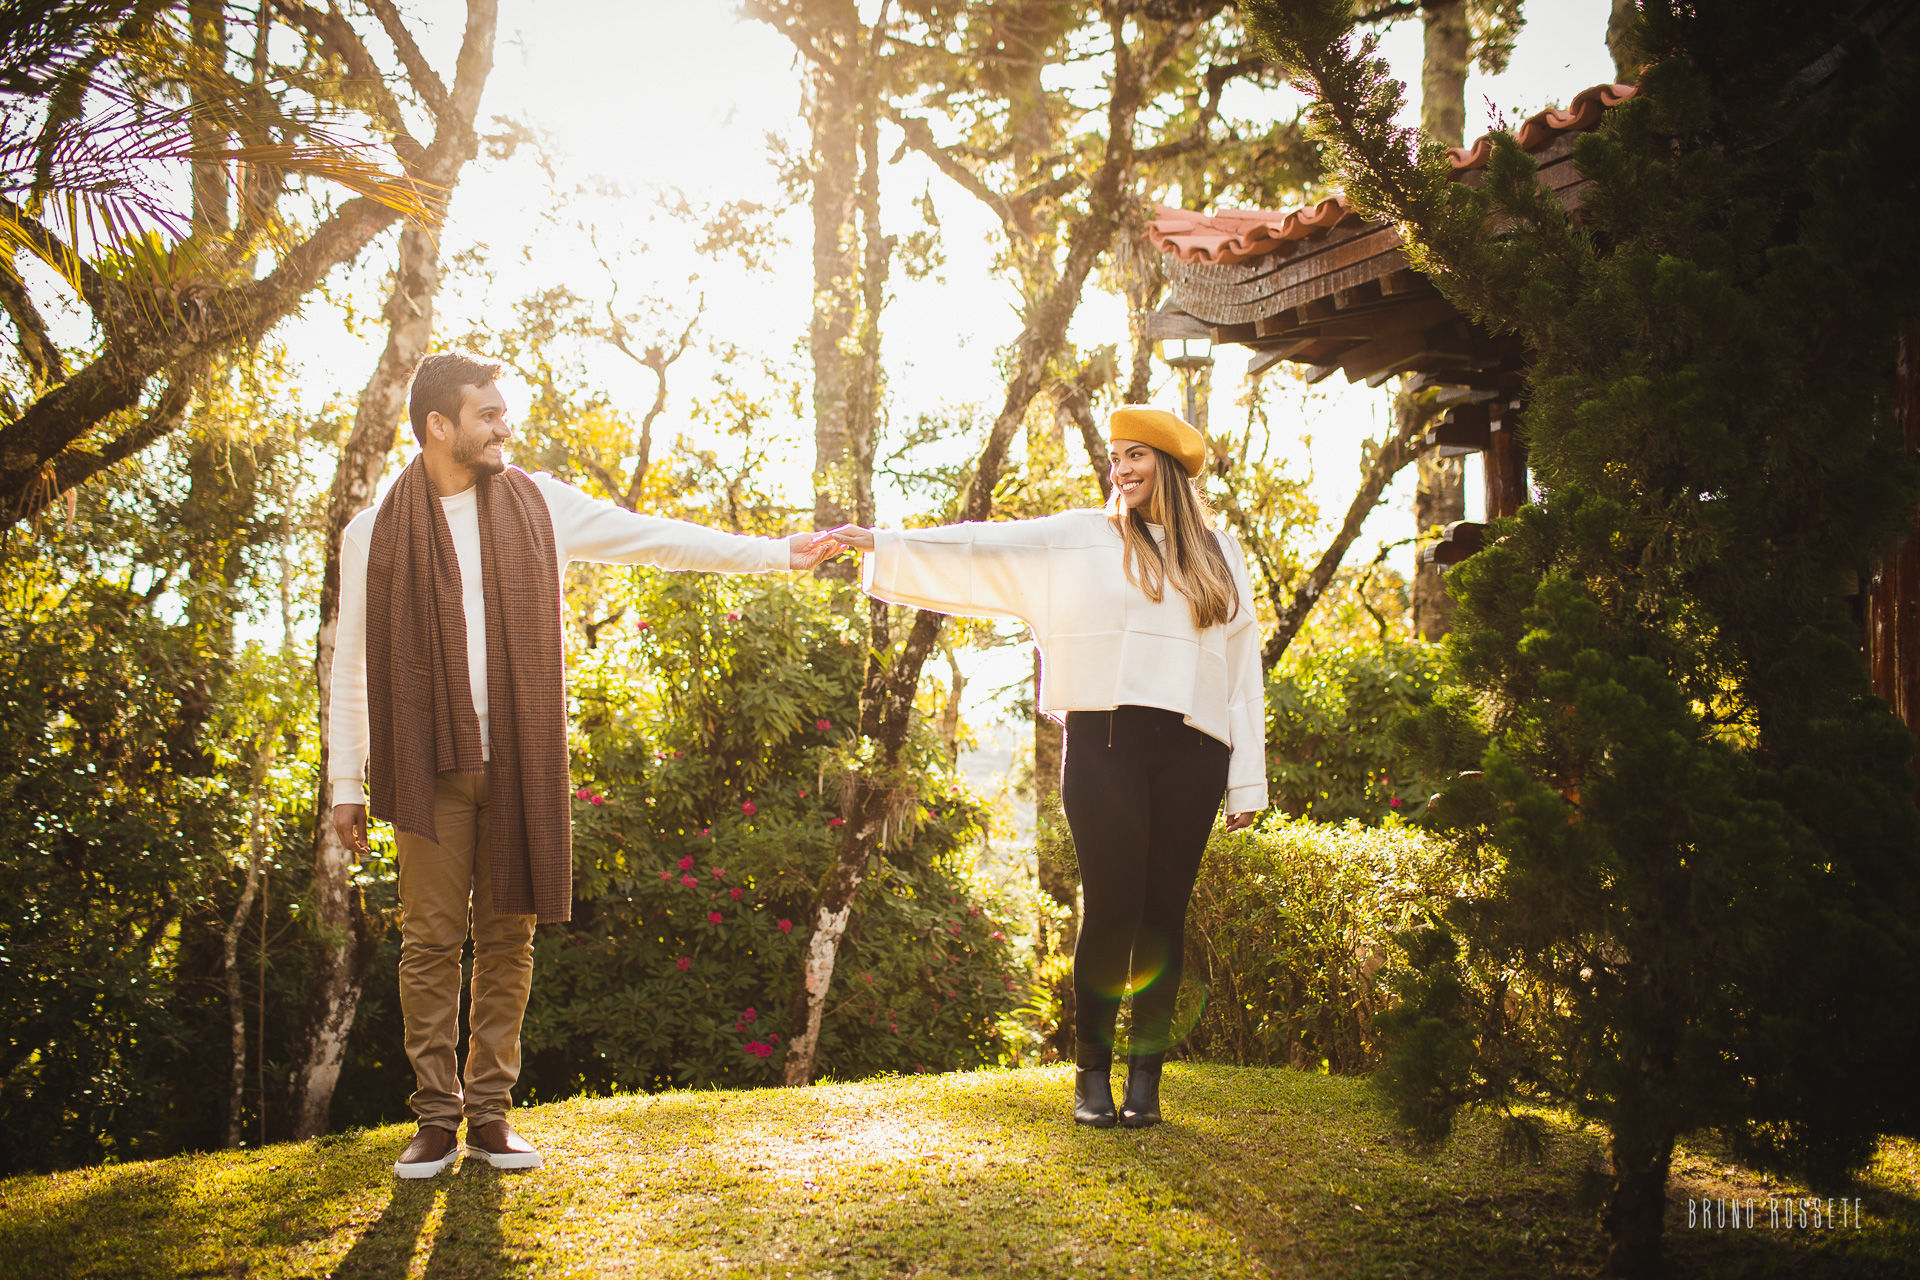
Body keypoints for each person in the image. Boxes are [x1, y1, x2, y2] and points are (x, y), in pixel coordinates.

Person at [330, 351, 840, 1179]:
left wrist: (777, 554)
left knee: (509, 936)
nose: (505, 427)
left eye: (503, 413)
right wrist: (344, 782)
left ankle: (490, 1115)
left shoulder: (539, 505)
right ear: (439, 427)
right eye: (488, 415)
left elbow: (658, 540)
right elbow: (351, 659)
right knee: (428, 943)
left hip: (520, 760)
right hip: (426, 764)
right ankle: (433, 1119)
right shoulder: (373, 532)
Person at [829, 405, 1266, 1129]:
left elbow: (1243, 673)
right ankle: (1092, 1074)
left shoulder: (1221, 556)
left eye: (1137, 457)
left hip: (1195, 751)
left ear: (1171, 469)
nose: (1120, 468)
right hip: (1104, 746)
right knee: (1111, 911)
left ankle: (1146, 1082)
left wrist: (1247, 780)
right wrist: (881, 542)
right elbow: (983, 551)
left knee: (1164, 919)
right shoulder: (1079, 537)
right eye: (1116, 457)